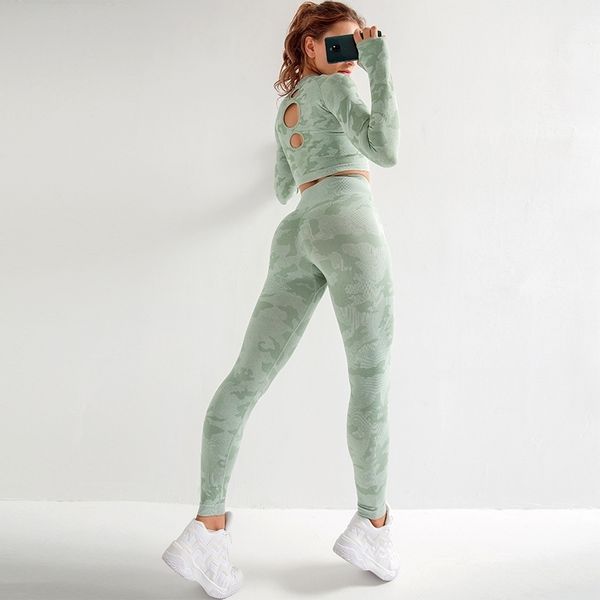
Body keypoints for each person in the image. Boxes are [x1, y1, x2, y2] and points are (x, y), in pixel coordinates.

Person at [162, 2, 401, 597]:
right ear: (310, 47)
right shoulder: (336, 89)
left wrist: (309, 146)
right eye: (341, 45)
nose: (349, 58)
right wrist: (380, 65)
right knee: (369, 377)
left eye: (356, 46)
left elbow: (279, 186)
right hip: (347, 222)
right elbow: (384, 147)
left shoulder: (287, 108)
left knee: (245, 378)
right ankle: (372, 524)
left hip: (296, 232)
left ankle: (207, 527)